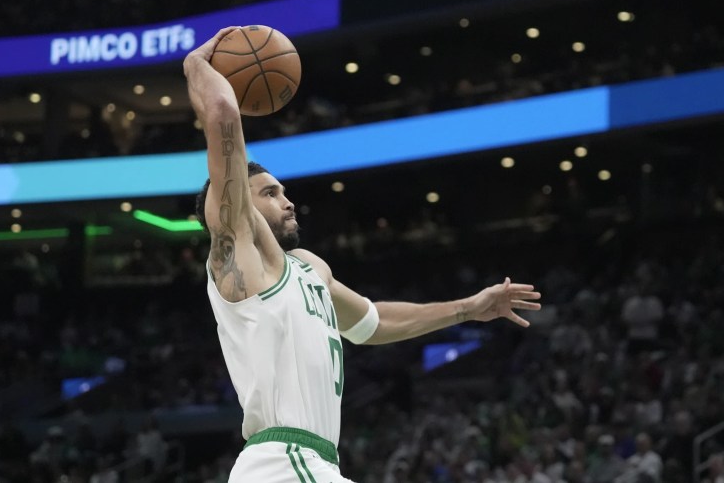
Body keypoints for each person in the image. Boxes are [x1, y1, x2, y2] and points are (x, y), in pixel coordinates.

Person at [184, 27, 543, 483]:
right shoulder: (237, 257)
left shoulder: (309, 268)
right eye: (271, 194)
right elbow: (222, 112)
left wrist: (468, 309)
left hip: (311, 464)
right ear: (237, 207)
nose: (288, 202)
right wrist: (195, 65)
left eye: (285, 192)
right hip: (282, 463)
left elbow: (372, 322)